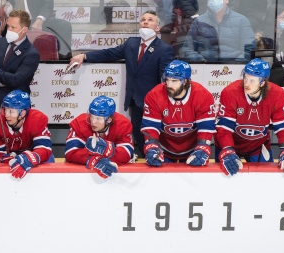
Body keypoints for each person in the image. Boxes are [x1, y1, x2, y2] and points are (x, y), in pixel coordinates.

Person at [67, 10, 175, 157]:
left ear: (157, 27)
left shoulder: (164, 49)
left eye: (150, 20)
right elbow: (109, 53)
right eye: (143, 19)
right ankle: (145, 161)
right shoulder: (132, 43)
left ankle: (156, 162)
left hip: (153, 104)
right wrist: (84, 56)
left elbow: (166, 79)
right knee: (139, 136)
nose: (145, 22)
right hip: (134, 101)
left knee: (153, 138)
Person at [215, 58, 284, 176]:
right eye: (245, 78)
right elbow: (224, 129)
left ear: (263, 83)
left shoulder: (278, 94)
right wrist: (227, 150)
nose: (246, 84)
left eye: (252, 81)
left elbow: (283, 127)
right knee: (224, 179)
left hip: (257, 146)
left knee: (265, 181)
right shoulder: (230, 92)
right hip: (231, 143)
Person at [140, 60, 215, 166]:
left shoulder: (203, 96)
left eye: (174, 81)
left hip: (193, 151)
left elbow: (205, 129)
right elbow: (150, 128)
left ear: (185, 81)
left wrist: (203, 148)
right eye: (167, 80)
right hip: (163, 151)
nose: (169, 85)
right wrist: (151, 146)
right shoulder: (154, 96)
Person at [0, 9, 39, 116]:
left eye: (13, 27)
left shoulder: (31, 53)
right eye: (8, 26)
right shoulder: (0, 43)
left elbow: (15, 80)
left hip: (16, 107)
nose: (9, 30)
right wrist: (0, 81)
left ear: (24, 29)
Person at [0, 90, 53, 178]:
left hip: (30, 154)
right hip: (6, 155)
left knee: (48, 158)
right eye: (5, 110)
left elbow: (44, 148)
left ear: (22, 113)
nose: (6, 115)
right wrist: (3, 159)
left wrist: (30, 158)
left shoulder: (37, 119)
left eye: (11, 111)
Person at [180, 0, 255, 62]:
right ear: (207, 2)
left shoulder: (241, 20)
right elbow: (186, 49)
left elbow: (249, 50)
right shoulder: (198, 22)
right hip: (205, 68)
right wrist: (200, 60)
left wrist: (234, 65)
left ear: (227, 0)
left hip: (234, 68)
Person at [65, 96, 134, 178]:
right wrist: (97, 160)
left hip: (114, 173)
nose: (93, 122)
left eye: (98, 118)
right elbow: (71, 152)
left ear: (109, 120)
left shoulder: (123, 124)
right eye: (91, 116)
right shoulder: (79, 123)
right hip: (82, 174)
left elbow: (126, 153)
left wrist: (106, 149)